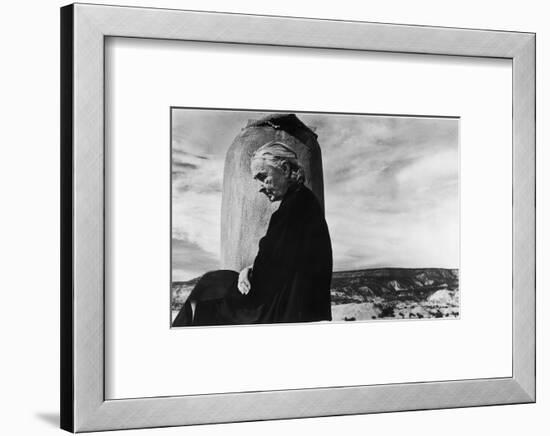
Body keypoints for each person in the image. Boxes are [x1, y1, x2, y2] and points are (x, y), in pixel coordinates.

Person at [172, 140, 333, 327]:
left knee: (208, 286)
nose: (261, 186)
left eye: (263, 176)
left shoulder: (293, 209)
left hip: (284, 310)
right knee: (214, 282)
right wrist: (250, 270)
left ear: (286, 169)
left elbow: (266, 278)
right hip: (296, 304)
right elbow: (278, 262)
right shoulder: (303, 201)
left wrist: (247, 273)